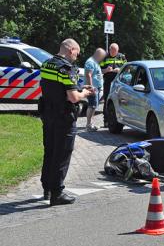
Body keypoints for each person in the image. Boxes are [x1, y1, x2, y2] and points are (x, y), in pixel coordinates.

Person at [38, 39, 95, 205]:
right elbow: (72, 97)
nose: (77, 56)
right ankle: (57, 193)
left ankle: (47, 189)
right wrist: (84, 92)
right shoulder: (67, 68)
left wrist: (78, 88)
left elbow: (57, 87)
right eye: (76, 52)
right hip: (64, 116)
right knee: (62, 153)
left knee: (50, 150)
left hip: (48, 114)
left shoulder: (46, 64)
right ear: (70, 50)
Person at [100, 43, 127, 127]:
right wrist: (106, 70)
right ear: (109, 49)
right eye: (112, 51)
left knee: (120, 101)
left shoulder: (122, 57)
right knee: (107, 100)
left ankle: (120, 120)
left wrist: (120, 70)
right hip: (108, 82)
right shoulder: (105, 57)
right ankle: (106, 121)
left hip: (119, 83)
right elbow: (100, 70)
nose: (114, 52)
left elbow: (128, 70)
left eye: (116, 51)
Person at [84, 48, 106, 131]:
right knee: (92, 106)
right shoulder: (90, 62)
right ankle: (88, 125)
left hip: (96, 88)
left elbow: (97, 73)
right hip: (93, 88)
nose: (102, 58)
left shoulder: (95, 62)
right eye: (102, 56)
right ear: (98, 54)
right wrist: (91, 87)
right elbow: (88, 75)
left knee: (94, 106)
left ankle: (90, 124)